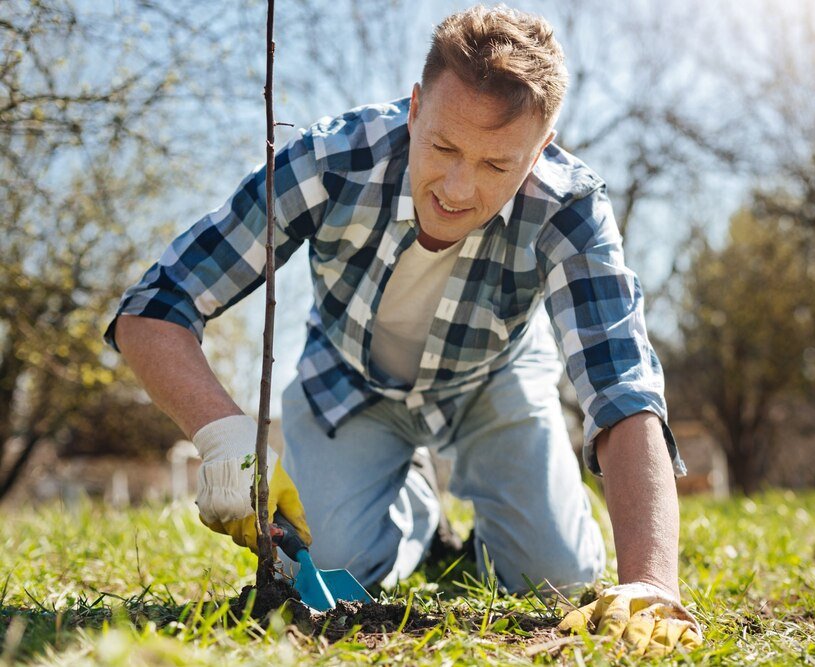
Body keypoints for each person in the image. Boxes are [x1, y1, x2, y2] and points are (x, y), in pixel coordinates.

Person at [106, 4, 701, 656]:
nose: (455, 187)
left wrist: (650, 580)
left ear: (543, 147)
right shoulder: (329, 161)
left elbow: (624, 389)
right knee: (327, 566)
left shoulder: (571, 207)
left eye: (496, 165)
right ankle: (415, 508)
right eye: (443, 146)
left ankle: (491, 540)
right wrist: (223, 435)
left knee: (554, 577)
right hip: (350, 382)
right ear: (415, 107)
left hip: (494, 378)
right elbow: (154, 307)